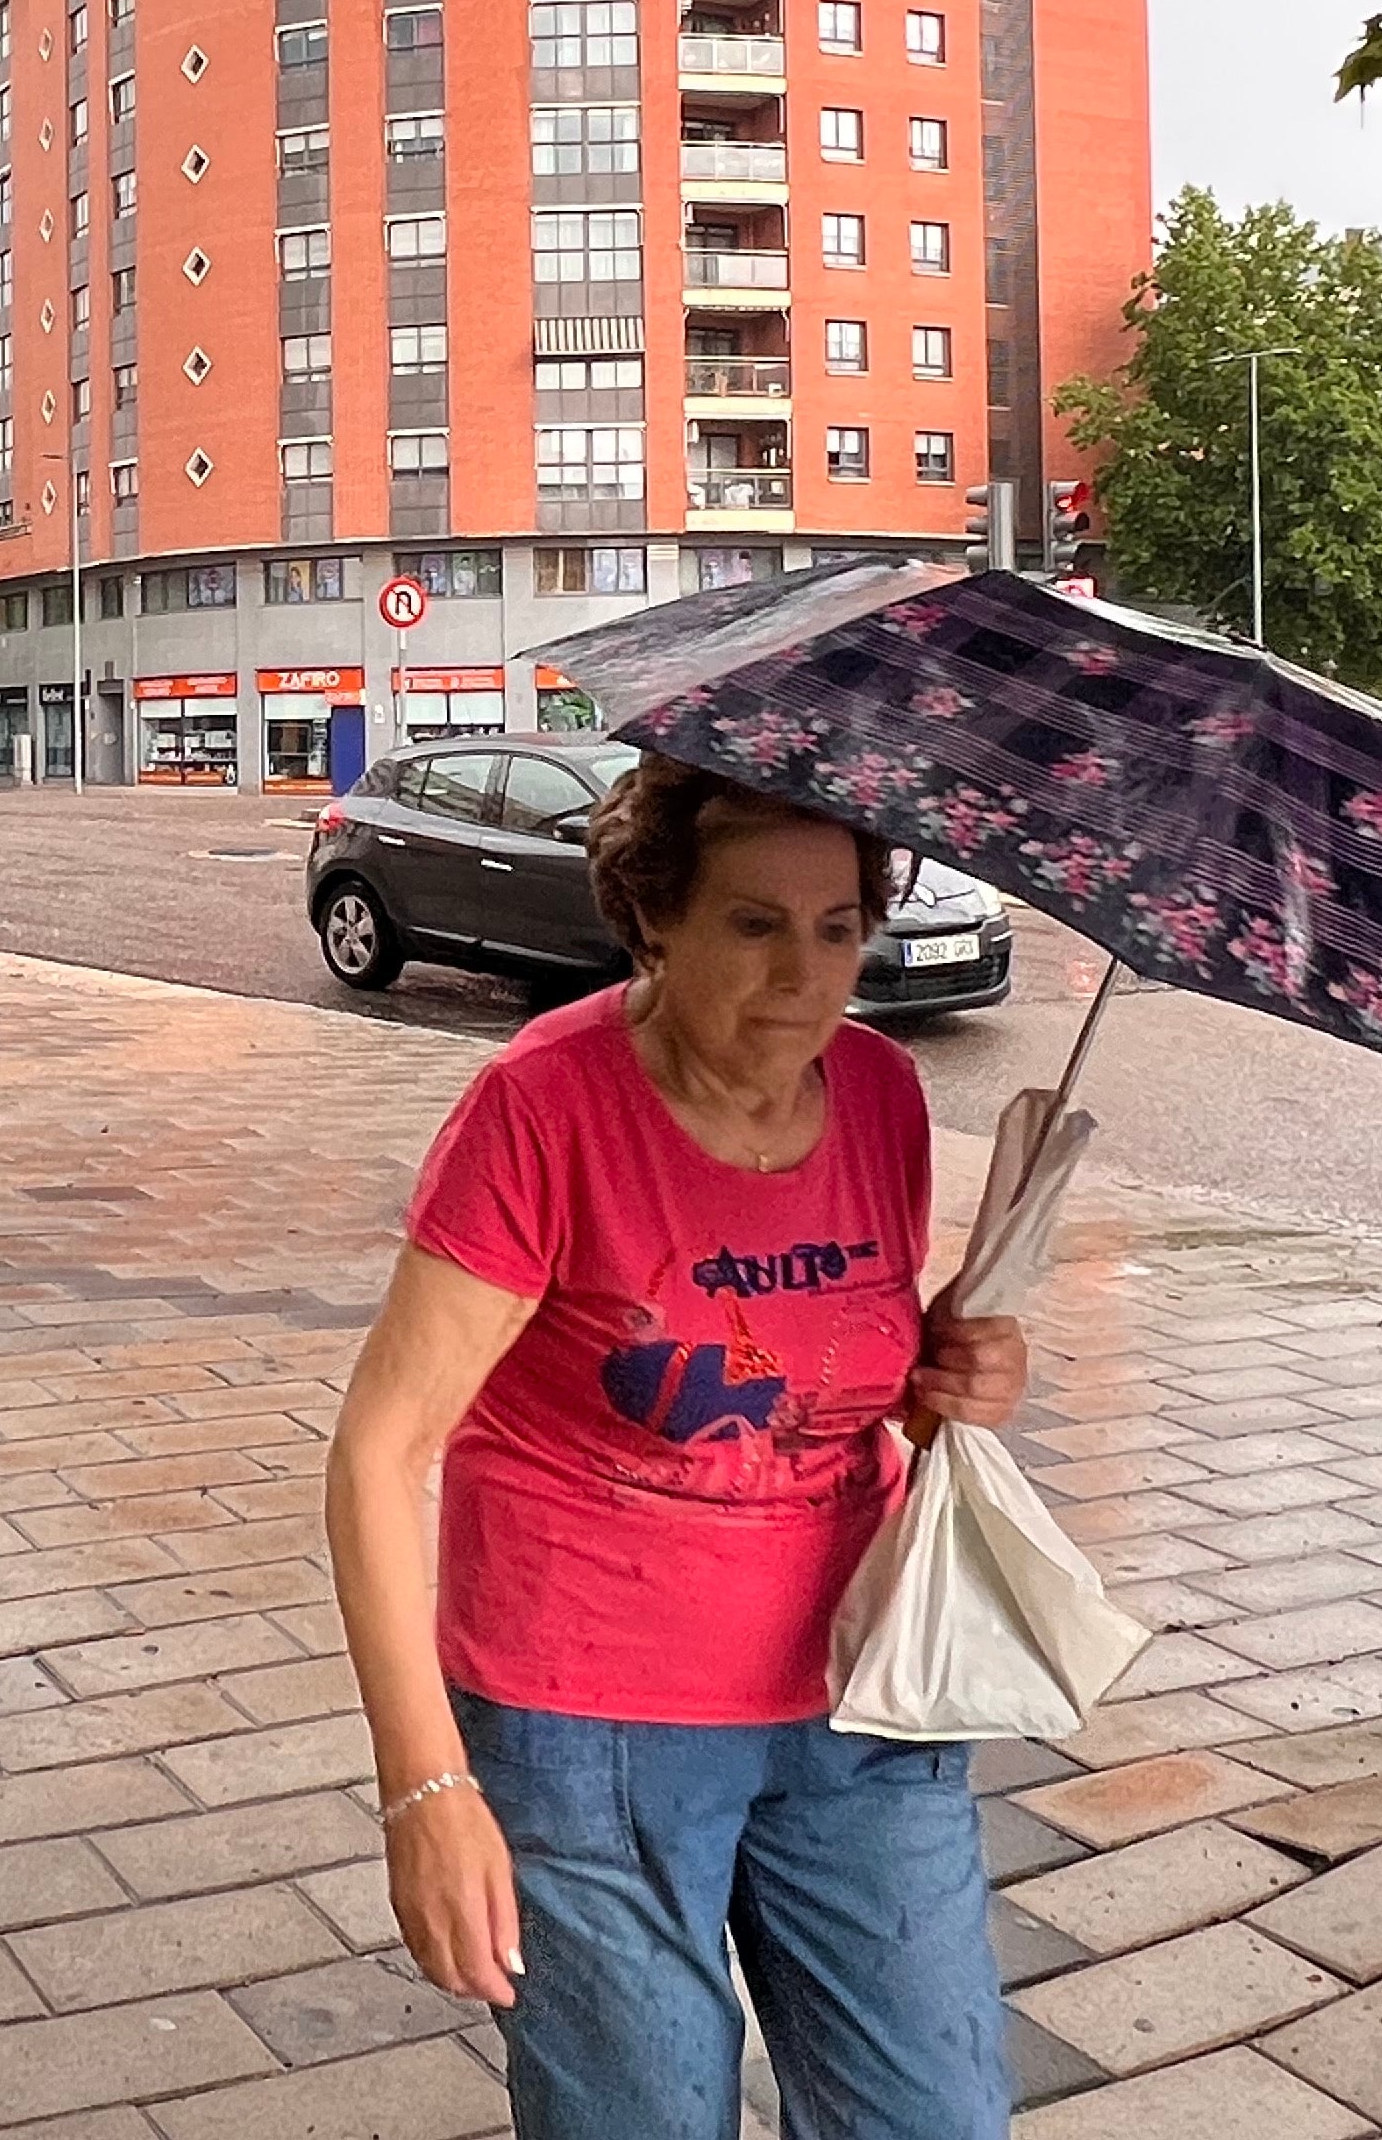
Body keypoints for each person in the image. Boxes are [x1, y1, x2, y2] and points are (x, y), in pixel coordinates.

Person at [324, 753, 1029, 2139]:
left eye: (838, 929)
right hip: (590, 1725)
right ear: (655, 918)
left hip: (860, 1694)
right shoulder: (545, 1110)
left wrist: (948, 1373)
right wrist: (426, 1786)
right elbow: (375, 1454)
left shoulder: (881, 1095)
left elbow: (846, 1381)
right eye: (755, 926)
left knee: (937, 2115)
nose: (807, 977)